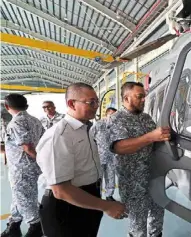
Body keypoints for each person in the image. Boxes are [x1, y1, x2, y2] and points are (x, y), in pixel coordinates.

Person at [36, 83, 127, 237]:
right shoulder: (59, 136)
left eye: (97, 102)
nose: (96, 106)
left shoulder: (87, 129)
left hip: (87, 199)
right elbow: (61, 190)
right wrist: (106, 206)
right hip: (66, 207)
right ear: (71, 103)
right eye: (91, 102)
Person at [107, 82, 170, 237]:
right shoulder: (116, 119)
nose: (143, 100)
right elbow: (120, 147)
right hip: (133, 183)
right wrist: (150, 137)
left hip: (154, 177)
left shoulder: (146, 118)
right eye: (139, 96)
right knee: (138, 225)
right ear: (126, 98)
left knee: (157, 217)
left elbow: (157, 142)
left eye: (144, 96)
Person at [1, 94, 44, 237]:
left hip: (22, 168)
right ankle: (14, 225)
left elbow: (27, 147)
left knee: (25, 197)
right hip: (29, 168)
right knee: (19, 197)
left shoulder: (16, 123)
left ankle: (36, 226)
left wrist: (41, 161)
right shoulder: (36, 121)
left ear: (7, 107)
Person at [91, 107, 118, 201]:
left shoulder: (117, 127)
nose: (113, 117)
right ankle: (97, 197)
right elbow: (91, 138)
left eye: (115, 115)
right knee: (98, 177)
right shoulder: (98, 124)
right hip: (99, 157)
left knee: (111, 177)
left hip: (112, 157)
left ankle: (109, 195)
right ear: (106, 114)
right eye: (111, 114)